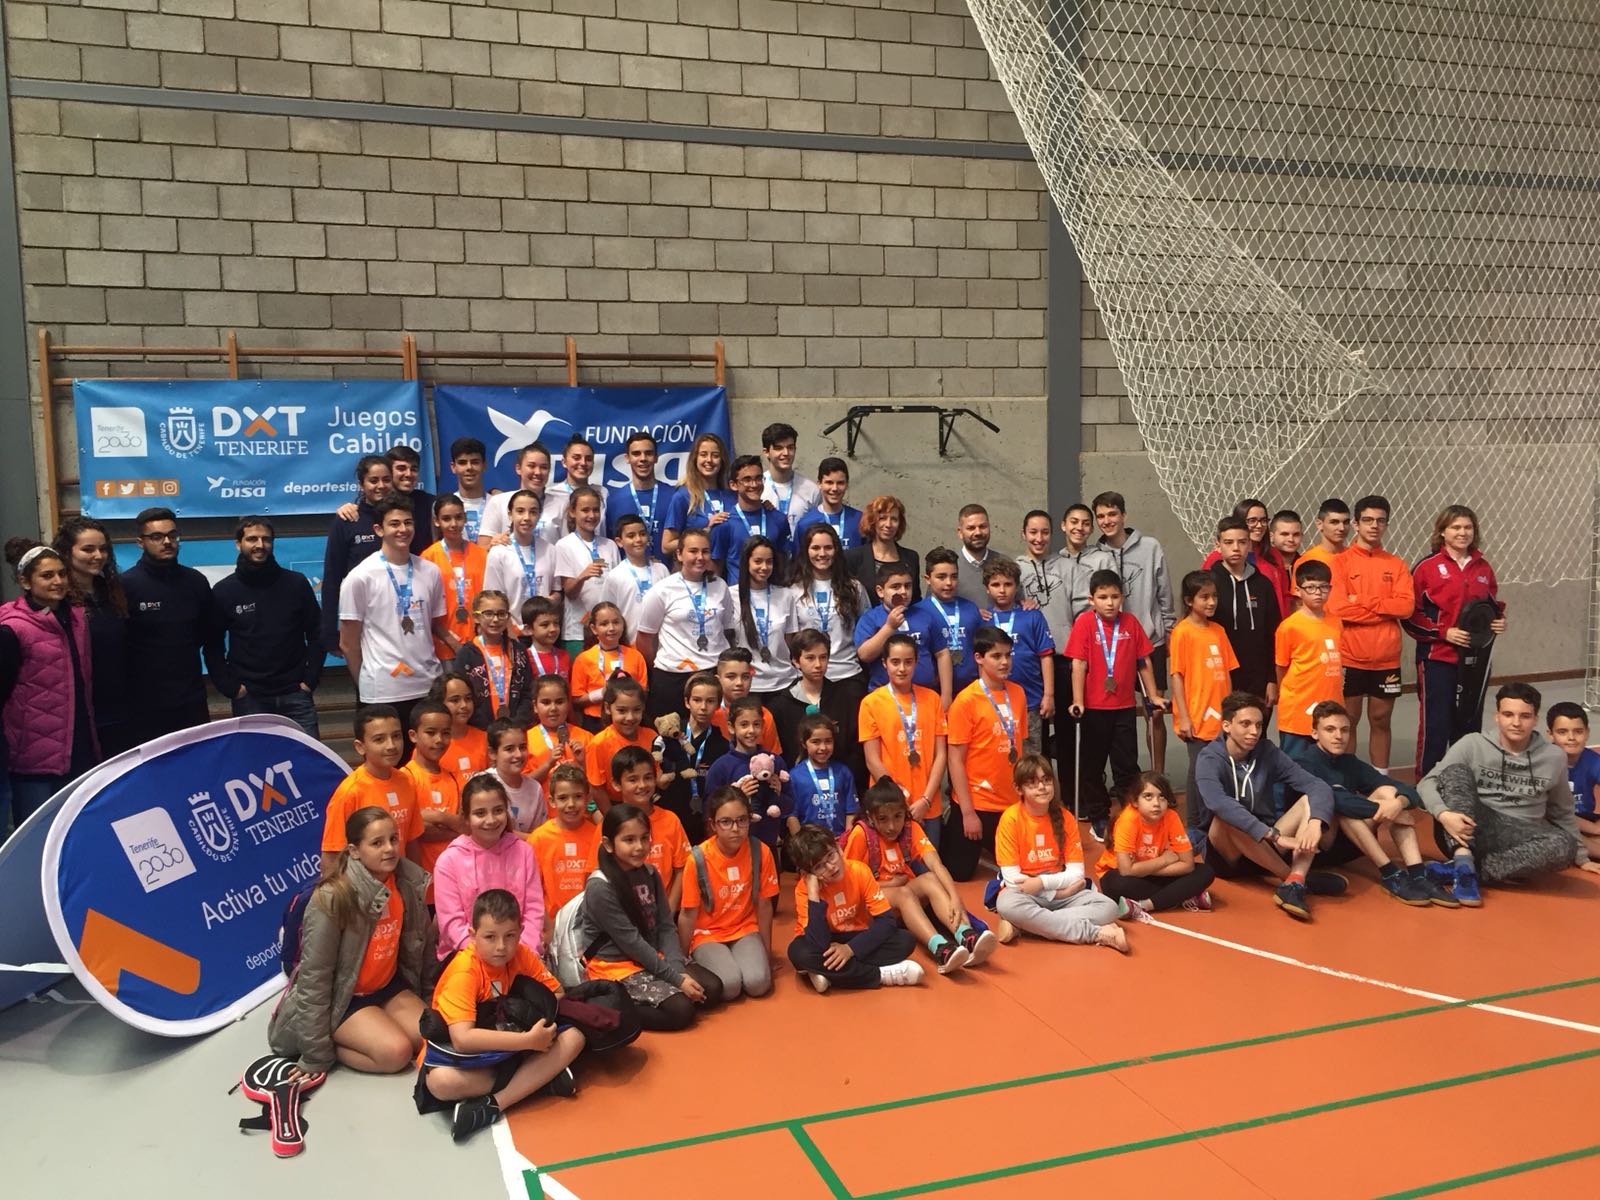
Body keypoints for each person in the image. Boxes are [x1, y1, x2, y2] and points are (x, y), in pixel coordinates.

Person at [269, 806, 431, 1076]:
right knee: (396, 1053)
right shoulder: (333, 897)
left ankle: (376, 1026)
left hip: (387, 987)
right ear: (354, 851)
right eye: (376, 843)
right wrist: (315, 1054)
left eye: (393, 839)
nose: (389, 849)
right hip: (344, 998)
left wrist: (428, 997)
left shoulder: (406, 883)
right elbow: (314, 977)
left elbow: (421, 948)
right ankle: (336, 1041)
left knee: (431, 1037)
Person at [413, 888, 585, 1143]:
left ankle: (494, 1104)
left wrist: (529, 1014)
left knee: (575, 1036)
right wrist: (528, 1041)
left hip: (511, 1049)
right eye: (490, 937)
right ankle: (538, 1081)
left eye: (510, 936)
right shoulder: (464, 973)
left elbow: (557, 994)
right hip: (469, 1057)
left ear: (521, 931)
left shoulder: (522, 955)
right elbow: (462, 1039)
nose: (501, 947)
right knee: (440, 1083)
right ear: (473, 935)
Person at [1417, 683, 1597, 904]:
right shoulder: (1472, 744)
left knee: (1564, 846)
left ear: (1535, 719)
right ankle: (1463, 859)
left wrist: (1581, 857)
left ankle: (1465, 872)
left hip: (1520, 836)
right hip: (1468, 827)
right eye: (1508, 714)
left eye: (1525, 716)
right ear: (1497, 716)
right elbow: (1427, 783)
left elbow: (1562, 812)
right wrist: (1443, 814)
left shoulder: (1554, 757)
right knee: (1455, 771)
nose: (1516, 723)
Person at [1192, 692, 1344, 920]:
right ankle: (1292, 879)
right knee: (1225, 817)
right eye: (1245, 724)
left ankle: (1296, 880)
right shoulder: (1209, 758)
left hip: (1266, 849)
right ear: (1227, 726)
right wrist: (1273, 835)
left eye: (1258, 725)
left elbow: (1316, 786)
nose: (1254, 731)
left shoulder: (1267, 752)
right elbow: (1218, 802)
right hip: (1228, 854)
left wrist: (1316, 823)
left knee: (1308, 801)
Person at [1286, 701, 1451, 907]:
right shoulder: (1303, 763)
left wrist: (1398, 804)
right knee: (1341, 807)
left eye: (1344, 730)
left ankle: (1418, 874)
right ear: (1315, 733)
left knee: (1388, 792)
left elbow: (1407, 790)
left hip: (1350, 844)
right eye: (1330, 729)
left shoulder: (1349, 762)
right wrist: (1384, 810)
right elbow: (1336, 800)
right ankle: (1390, 873)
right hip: (1315, 847)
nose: (1338, 736)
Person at [580, 803, 724, 1029]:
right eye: (629, 840)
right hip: (617, 963)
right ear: (608, 844)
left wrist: (677, 969)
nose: (639, 847)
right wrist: (678, 981)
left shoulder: (650, 873)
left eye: (644, 838)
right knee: (682, 1011)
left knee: (713, 989)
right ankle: (609, 1004)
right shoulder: (600, 887)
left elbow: (665, 925)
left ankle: (666, 989)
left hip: (652, 952)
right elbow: (632, 943)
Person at [843, 783, 997, 974]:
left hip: (905, 899)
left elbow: (936, 864)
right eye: (883, 819)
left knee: (930, 878)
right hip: (872, 906)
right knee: (903, 893)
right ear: (871, 818)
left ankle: (965, 935)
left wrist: (955, 897)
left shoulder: (911, 828)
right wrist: (889, 884)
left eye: (898, 816)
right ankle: (941, 949)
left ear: (905, 813)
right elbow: (849, 885)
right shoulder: (861, 835)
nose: (892, 826)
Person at [338, 494, 456, 739]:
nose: (403, 529)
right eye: (394, 524)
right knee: (389, 759)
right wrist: (367, 682)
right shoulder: (360, 577)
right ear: (379, 530)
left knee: (430, 757)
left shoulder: (430, 571)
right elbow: (348, 643)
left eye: (408, 522)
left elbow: (435, 625)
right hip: (382, 692)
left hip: (428, 686)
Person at [1404, 504, 1507, 775]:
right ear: (1443, 531)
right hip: (1437, 659)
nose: (1462, 533)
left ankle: (1463, 783)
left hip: (1474, 661)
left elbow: (1490, 607)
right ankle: (1427, 783)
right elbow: (1410, 616)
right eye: (1456, 527)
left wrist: (1498, 620)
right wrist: (1443, 632)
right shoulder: (1426, 567)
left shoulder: (1483, 567)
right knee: (1436, 726)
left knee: (1469, 725)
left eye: (1468, 527)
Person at [1065, 569, 1166, 843]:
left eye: (1114, 596)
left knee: (1126, 764)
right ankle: (1099, 815)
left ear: (1122, 597)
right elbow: (1078, 664)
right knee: (1093, 765)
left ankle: (1131, 813)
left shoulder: (1130, 622)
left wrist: (1153, 695)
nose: (1109, 603)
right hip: (1094, 708)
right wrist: (1077, 700)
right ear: (1091, 599)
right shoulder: (1085, 623)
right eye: (1102, 597)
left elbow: (1144, 661)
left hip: (1123, 707)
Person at [1, 540, 97, 827]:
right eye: (47, 575)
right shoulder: (12, 628)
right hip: (32, 756)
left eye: (61, 573)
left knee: (75, 831)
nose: (58, 581)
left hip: (78, 747)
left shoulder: (77, 619)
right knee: (36, 834)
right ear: (25, 582)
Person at [994, 754, 1126, 952]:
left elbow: (1076, 874)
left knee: (1109, 908)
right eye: (1032, 783)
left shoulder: (1066, 818)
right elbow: (1013, 880)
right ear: (1018, 789)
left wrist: (1046, 885)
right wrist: (1057, 893)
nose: (1042, 787)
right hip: (1028, 893)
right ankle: (1094, 933)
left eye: (1046, 780)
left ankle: (1024, 926)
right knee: (1006, 904)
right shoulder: (1010, 819)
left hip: (1059, 888)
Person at [209, 516, 324, 738]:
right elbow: (212, 644)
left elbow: (316, 633)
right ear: (238, 544)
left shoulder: (296, 583)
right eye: (252, 539)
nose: (260, 545)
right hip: (250, 699)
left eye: (266, 539)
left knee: (308, 758)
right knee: (256, 759)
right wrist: (232, 688)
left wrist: (309, 681)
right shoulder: (224, 591)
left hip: (296, 695)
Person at [121, 507, 224, 744]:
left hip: (191, 699)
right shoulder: (126, 585)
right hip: (143, 704)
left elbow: (211, 638)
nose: (167, 542)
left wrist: (224, 682)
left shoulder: (195, 582)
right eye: (157, 537)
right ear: (140, 542)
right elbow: (119, 647)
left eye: (172, 535)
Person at [1328, 495, 1414, 770]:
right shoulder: (1339, 563)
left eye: (1380, 521)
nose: (1374, 526)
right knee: (1346, 721)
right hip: (1350, 657)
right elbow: (1339, 608)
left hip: (1386, 659)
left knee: (1381, 720)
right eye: (1367, 520)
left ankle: (1381, 778)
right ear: (1355, 524)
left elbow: (1406, 607)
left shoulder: (1397, 565)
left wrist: (1362, 600)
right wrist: (1385, 609)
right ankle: (1347, 779)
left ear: (1386, 524)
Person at [786, 823, 925, 991]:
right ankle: (881, 975)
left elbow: (887, 921)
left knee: (905, 940)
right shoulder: (804, 889)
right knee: (798, 953)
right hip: (825, 941)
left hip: (855, 936)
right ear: (808, 874)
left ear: (839, 848)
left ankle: (827, 973)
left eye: (831, 856)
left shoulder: (860, 871)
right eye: (819, 866)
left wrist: (850, 949)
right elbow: (818, 943)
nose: (831, 867)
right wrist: (814, 895)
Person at [1092, 491, 1175, 775]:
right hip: (1112, 647)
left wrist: (1168, 629)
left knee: (1155, 712)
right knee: (1118, 716)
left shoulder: (1150, 547)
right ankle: (1124, 776)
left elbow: (1164, 593)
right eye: (1101, 516)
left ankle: (1158, 776)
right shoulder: (1095, 555)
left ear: (1124, 515)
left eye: (1112, 514)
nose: (1107, 521)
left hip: (1150, 641)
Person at [678, 787, 781, 1001]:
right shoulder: (697, 859)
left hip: (745, 929)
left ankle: (744, 961)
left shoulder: (761, 852)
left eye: (742, 820)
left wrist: (767, 953)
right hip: (708, 934)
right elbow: (688, 914)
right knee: (730, 986)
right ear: (713, 825)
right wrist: (681, 960)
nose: (735, 829)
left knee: (758, 983)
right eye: (726, 822)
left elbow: (764, 906)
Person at [944, 625, 1028, 881]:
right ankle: (957, 826)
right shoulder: (965, 701)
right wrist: (968, 813)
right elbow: (955, 760)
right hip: (977, 802)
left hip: (1011, 802)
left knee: (1028, 866)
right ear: (979, 658)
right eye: (996, 656)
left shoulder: (1018, 693)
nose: (1004, 662)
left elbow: (1020, 750)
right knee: (959, 873)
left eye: (1008, 655)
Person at [433, 773, 545, 962]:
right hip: (467, 958)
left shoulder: (524, 852)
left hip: (519, 956)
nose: (491, 820)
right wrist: (488, 959)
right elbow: (452, 925)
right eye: (480, 813)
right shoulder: (449, 861)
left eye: (498, 810)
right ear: (466, 818)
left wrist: (519, 954)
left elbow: (534, 912)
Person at [53, 516, 133, 756]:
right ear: (66, 552)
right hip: (79, 712)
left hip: (119, 706)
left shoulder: (113, 591)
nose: (98, 556)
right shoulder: (57, 600)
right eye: (88, 549)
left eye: (103, 549)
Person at [635, 528, 734, 721]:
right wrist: (664, 663)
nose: (700, 557)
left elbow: (726, 629)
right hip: (673, 677)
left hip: (713, 672)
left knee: (715, 733)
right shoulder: (662, 590)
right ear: (679, 554)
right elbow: (644, 638)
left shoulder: (720, 586)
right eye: (693, 551)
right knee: (672, 734)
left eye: (705, 551)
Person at [858, 635, 945, 848]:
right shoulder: (871, 703)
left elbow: (941, 755)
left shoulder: (932, 699)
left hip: (928, 804)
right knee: (892, 866)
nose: (902, 669)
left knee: (929, 864)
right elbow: (872, 760)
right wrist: (900, 801)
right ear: (884, 663)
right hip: (889, 808)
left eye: (908, 662)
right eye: (895, 662)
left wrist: (925, 800)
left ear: (916, 662)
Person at [1168, 570, 1239, 823]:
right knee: (1200, 771)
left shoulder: (1219, 631)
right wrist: (1184, 717)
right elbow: (1177, 676)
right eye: (1204, 597)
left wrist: (1232, 712)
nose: (1211, 602)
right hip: (1197, 717)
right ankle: (1195, 824)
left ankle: (1216, 824)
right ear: (1189, 600)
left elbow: (1227, 673)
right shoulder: (1182, 632)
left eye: (1214, 596)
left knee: (1220, 770)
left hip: (1221, 716)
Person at [321, 706, 422, 877]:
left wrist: (416, 885)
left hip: (399, 886)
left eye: (396, 736)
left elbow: (411, 841)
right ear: (360, 747)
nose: (391, 745)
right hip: (364, 889)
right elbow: (331, 856)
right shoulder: (350, 792)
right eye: (379, 739)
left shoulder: (407, 780)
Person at [1094, 772, 1215, 914]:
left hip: (1149, 873)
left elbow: (1188, 865)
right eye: (1148, 796)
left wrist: (1142, 869)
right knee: (1116, 883)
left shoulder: (1171, 817)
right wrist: (1165, 860)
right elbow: (1126, 870)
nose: (1156, 803)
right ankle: (1181, 896)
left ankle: (1144, 905)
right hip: (1122, 876)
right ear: (1135, 801)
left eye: (1162, 797)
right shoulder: (1128, 820)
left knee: (1205, 872)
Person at [790, 523, 871, 726]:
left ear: (836, 550)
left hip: (847, 675)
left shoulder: (854, 588)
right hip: (808, 680)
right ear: (806, 551)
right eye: (815, 548)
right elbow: (790, 638)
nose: (822, 553)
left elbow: (866, 630)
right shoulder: (793, 590)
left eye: (828, 547)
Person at [768, 628, 864, 788]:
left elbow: (855, 746)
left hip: (840, 783)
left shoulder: (845, 698)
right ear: (796, 661)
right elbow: (782, 752)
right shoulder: (781, 705)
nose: (818, 665)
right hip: (798, 786)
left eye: (823, 657)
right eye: (810, 658)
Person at [981, 559, 1055, 756]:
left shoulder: (1032, 615)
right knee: (999, 755)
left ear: (1016, 586)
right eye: (995, 585)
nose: (1002, 590)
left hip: (1030, 700)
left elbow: (1046, 656)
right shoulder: (982, 619)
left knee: (1031, 758)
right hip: (993, 703)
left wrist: (1049, 695)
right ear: (987, 588)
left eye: (1008, 584)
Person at [1273, 558, 1344, 760]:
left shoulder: (1336, 622)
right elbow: (1281, 667)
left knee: (1328, 764)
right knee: (1295, 765)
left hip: (1329, 706)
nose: (1318, 593)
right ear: (1298, 590)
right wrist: (1288, 695)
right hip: (1298, 710)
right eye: (1311, 587)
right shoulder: (1289, 626)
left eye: (1323, 587)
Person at [703, 695, 794, 851]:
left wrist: (778, 794)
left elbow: (790, 806)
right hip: (733, 848)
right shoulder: (721, 766)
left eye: (756, 724)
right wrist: (738, 797)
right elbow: (708, 810)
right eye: (744, 725)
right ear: (731, 727)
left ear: (763, 726)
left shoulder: (775, 762)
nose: (751, 730)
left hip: (767, 845)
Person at [321, 455, 390, 656]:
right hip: (361, 618)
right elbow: (332, 579)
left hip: (397, 615)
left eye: (386, 479)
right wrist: (330, 632)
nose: (381, 486)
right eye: (373, 480)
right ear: (361, 484)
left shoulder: (401, 516)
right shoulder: (347, 521)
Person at [1207, 515, 1279, 704]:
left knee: (1255, 724)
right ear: (1218, 545)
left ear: (1249, 545)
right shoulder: (1207, 583)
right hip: (1218, 675)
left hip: (1258, 678)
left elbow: (1273, 634)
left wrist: (1272, 679)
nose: (1236, 548)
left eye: (1242, 542)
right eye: (1228, 542)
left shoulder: (1263, 585)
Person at [610, 745, 692, 909]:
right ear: (617, 784)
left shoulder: (670, 820)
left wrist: (668, 912)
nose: (642, 785)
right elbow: (599, 875)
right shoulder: (610, 823)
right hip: (623, 916)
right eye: (633, 779)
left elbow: (681, 870)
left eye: (648, 778)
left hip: (664, 913)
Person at [527, 763, 602, 941]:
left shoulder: (597, 836)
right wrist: (547, 927)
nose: (571, 804)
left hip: (590, 927)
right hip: (552, 927)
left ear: (588, 798)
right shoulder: (539, 838)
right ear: (552, 801)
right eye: (563, 798)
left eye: (578, 797)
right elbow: (532, 891)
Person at [854, 561, 950, 696]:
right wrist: (889, 627)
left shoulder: (924, 616)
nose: (903, 592)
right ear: (880, 591)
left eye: (907, 586)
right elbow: (865, 655)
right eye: (896, 587)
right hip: (885, 696)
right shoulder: (870, 618)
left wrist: (946, 695)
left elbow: (942, 653)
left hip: (925, 694)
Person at [400, 699, 464, 897]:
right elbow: (415, 831)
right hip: (422, 887)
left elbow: (465, 826)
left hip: (456, 884)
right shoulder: (405, 778)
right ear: (413, 735)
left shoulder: (453, 777)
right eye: (430, 732)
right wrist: (446, 821)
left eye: (445, 733)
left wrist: (436, 819)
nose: (439, 739)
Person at [657, 671, 726, 843]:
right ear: (687, 702)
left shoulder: (722, 745)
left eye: (710, 701)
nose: (703, 707)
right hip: (669, 812)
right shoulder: (669, 733)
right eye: (697, 700)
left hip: (701, 819)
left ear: (718, 704)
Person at [422, 493, 489, 665]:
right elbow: (427, 609)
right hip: (443, 646)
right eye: (446, 519)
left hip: (479, 642)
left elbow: (488, 599)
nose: (453, 524)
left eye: (458, 517)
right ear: (437, 521)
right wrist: (452, 642)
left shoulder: (481, 555)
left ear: (465, 518)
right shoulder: (428, 558)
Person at [552, 484, 620, 655]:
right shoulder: (564, 545)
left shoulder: (610, 545)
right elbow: (569, 593)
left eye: (596, 510)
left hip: (608, 630)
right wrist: (582, 577)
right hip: (577, 631)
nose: (591, 515)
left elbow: (618, 588)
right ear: (572, 512)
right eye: (585, 510)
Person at [729, 537, 800, 700]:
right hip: (748, 685)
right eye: (758, 561)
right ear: (746, 562)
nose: (764, 567)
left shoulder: (786, 595)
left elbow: (789, 640)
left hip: (783, 682)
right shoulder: (731, 595)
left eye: (769, 562)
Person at [451, 590, 533, 729]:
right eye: (488, 613)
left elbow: (528, 691)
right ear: (476, 617)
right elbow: (463, 696)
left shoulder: (518, 651)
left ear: (508, 617)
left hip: (515, 730)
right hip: (480, 729)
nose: (495, 619)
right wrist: (484, 727)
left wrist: (517, 724)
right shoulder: (466, 654)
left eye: (501, 614)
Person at [483, 490, 559, 635]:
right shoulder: (498, 552)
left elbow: (557, 591)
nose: (527, 518)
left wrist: (552, 600)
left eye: (533, 512)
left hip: (544, 633)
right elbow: (493, 599)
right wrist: (511, 633)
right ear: (510, 514)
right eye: (520, 511)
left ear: (539, 515)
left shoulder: (550, 550)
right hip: (512, 632)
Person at [713, 455, 791, 587]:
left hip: (772, 595)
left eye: (758, 478)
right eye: (747, 480)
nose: (754, 484)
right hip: (738, 596)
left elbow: (783, 564)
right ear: (733, 485)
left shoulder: (779, 519)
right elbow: (715, 572)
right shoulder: (724, 523)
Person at [569, 601, 647, 733]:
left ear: (623, 624)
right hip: (595, 721)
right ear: (594, 629)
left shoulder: (636, 656)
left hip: (629, 720)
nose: (611, 628)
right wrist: (601, 694)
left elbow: (643, 692)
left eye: (616, 622)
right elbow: (576, 700)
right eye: (604, 624)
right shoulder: (583, 659)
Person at [917, 546, 981, 707]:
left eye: (954, 576)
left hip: (970, 690)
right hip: (932, 693)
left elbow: (982, 648)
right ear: (927, 579)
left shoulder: (971, 608)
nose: (948, 583)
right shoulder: (918, 612)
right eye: (941, 577)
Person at [606, 430, 679, 563]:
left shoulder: (674, 496)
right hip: (629, 574)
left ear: (656, 457)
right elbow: (610, 545)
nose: (643, 458)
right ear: (627, 458)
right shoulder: (614, 500)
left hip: (669, 573)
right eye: (636, 454)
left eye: (648, 453)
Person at [662, 432, 735, 564]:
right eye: (703, 454)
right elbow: (666, 546)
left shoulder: (732, 495)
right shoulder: (683, 496)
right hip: (697, 570)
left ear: (722, 460)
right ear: (695, 459)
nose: (709, 460)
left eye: (715, 455)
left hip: (729, 571)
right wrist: (704, 532)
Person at [585, 676, 654, 810]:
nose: (630, 717)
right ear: (608, 708)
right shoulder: (598, 744)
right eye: (622, 711)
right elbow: (597, 788)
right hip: (615, 807)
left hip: (648, 803)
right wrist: (612, 817)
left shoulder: (652, 737)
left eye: (636, 710)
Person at [787, 712, 859, 840]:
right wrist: (803, 846)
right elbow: (792, 817)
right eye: (816, 742)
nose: (823, 747)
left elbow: (851, 811)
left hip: (841, 842)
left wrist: (847, 840)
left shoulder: (843, 772)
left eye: (828, 741)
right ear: (804, 743)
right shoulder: (794, 776)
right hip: (810, 845)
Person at [600, 513, 670, 635]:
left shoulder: (661, 570)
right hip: (629, 641)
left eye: (642, 534)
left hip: (661, 641)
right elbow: (608, 613)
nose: (638, 539)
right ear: (619, 542)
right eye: (631, 536)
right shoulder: (615, 576)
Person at [844, 494, 921, 604]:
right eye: (882, 518)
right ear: (872, 521)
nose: (888, 524)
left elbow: (915, 600)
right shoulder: (853, 557)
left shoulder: (911, 557)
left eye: (894, 519)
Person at [1547, 702, 1600, 860]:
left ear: (1587, 732)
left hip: (1585, 817)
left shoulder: (1593, 761)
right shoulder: (1544, 764)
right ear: (1550, 734)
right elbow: (1553, 814)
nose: (1571, 738)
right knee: (1563, 836)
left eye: (1578, 731)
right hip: (1554, 821)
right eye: (1562, 732)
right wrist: (1595, 830)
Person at [479, 442, 555, 548]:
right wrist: (492, 544)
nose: (538, 472)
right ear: (518, 468)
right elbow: (482, 549)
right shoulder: (498, 502)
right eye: (531, 466)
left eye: (544, 467)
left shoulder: (561, 504)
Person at [524, 675, 590, 790]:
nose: (553, 708)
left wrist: (581, 763)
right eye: (546, 702)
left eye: (559, 702)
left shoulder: (586, 737)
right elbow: (522, 785)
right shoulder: (525, 741)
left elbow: (595, 783)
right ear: (535, 706)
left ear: (568, 704)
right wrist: (548, 764)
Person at [708, 647, 781, 752]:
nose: (739, 683)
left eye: (745, 677)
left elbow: (773, 756)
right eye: (731, 676)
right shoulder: (709, 712)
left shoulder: (764, 715)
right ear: (718, 680)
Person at [542, 435, 607, 539]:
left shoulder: (603, 493)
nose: (583, 463)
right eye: (576, 458)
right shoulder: (551, 495)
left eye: (588, 459)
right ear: (564, 462)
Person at [793, 457, 862, 550]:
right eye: (829, 482)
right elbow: (799, 558)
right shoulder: (805, 524)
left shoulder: (860, 520)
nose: (834, 488)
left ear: (847, 484)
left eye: (840, 483)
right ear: (819, 484)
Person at [759, 421, 820, 526]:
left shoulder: (811, 489)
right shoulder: (756, 487)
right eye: (779, 448)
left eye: (790, 447)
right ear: (766, 452)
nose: (786, 453)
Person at [432, 670, 489, 780]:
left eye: (468, 699)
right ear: (439, 703)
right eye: (455, 700)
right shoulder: (430, 745)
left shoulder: (485, 739)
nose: (464, 705)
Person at [952, 503, 1006, 608]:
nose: (978, 532)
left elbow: (1018, 603)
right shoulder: (949, 566)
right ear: (960, 532)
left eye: (982, 526)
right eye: (971, 528)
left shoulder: (1004, 562)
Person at [444, 437, 490, 543]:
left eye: (475, 462)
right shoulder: (443, 506)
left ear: (484, 465)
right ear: (453, 467)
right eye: (462, 463)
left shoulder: (497, 503)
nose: (469, 467)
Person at [1261, 509, 1303, 618]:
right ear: (1271, 536)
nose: (1291, 539)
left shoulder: (1307, 564)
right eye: (1285, 534)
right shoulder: (1262, 566)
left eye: (1296, 534)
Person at [521, 595, 571, 683]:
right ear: (528, 629)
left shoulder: (564, 656)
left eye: (556, 623)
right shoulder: (524, 659)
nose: (553, 629)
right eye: (545, 625)